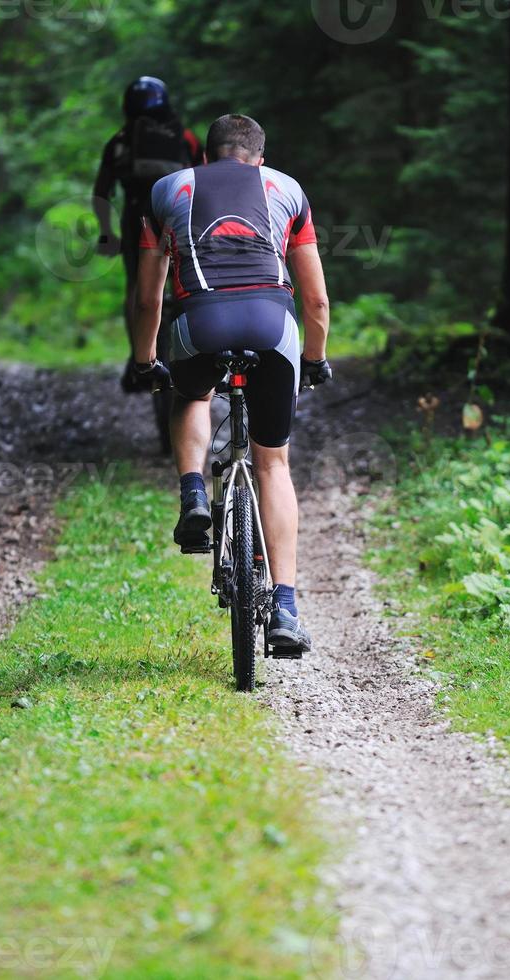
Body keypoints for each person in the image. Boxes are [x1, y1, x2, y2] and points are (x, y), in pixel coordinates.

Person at [131, 114, 331, 652]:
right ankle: (285, 610)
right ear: (259, 159)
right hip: (271, 325)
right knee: (273, 463)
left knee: (191, 394)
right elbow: (315, 299)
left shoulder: (168, 190)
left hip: (202, 323)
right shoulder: (287, 189)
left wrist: (146, 359)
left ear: (204, 157)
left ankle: (194, 493)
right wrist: (314, 358)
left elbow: (149, 299)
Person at [92, 76, 202, 398]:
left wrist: (106, 233)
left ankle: (137, 356)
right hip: (182, 218)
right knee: (189, 285)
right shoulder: (186, 138)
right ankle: (201, 345)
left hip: (139, 219)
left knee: (136, 289)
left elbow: (101, 192)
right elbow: (207, 178)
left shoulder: (119, 141)